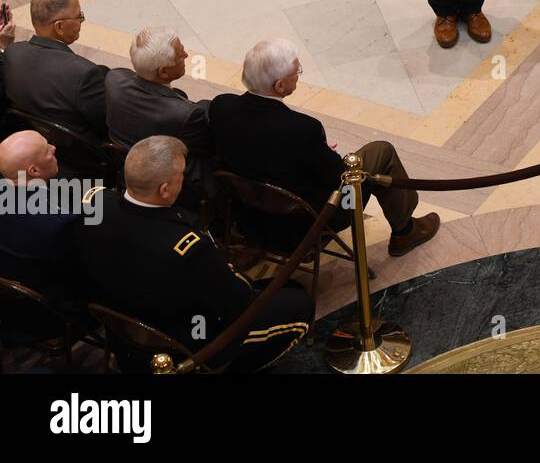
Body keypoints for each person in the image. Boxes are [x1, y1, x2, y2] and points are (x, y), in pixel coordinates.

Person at [74, 136, 314, 373]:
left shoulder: (95, 204)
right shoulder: (188, 246)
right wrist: (226, 273)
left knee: (280, 288)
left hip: (123, 331)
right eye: (181, 175)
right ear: (165, 189)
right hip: (184, 342)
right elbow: (237, 304)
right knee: (299, 305)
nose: (184, 180)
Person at [208, 39, 439, 257]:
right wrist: (325, 153)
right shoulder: (303, 129)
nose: (298, 77)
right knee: (381, 151)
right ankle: (406, 231)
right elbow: (339, 179)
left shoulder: (221, 106)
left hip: (248, 218)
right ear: (279, 85)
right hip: (309, 223)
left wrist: (312, 152)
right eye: (296, 73)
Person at [0, 131, 88, 337]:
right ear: (34, 170)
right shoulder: (59, 224)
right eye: (46, 149)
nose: (54, 148)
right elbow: (81, 271)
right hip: (50, 308)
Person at [105, 27, 213, 196]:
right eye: (181, 54)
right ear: (163, 72)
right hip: (169, 183)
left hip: (123, 163)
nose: (186, 55)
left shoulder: (114, 79)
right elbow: (205, 149)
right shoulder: (185, 115)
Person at [0, 0, 108, 142]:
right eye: (79, 17)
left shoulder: (11, 53)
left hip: (32, 139)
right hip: (78, 155)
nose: (81, 22)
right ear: (59, 27)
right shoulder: (85, 73)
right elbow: (104, 127)